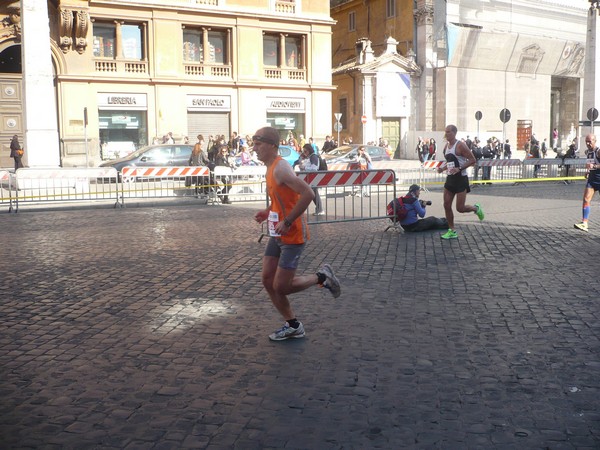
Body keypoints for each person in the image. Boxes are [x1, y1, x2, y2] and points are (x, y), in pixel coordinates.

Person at [252, 127, 341, 341]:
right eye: (254, 144)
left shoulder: (280, 168)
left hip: (292, 234)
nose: (254, 148)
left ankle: (322, 277)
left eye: (259, 144)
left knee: (281, 286)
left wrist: (288, 220)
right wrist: (268, 212)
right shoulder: (270, 166)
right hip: (277, 232)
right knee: (267, 279)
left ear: (272, 145)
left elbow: (308, 193)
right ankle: (293, 325)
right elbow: (282, 199)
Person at [437, 124, 485, 239]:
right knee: (446, 205)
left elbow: (473, 160)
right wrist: (442, 168)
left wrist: (459, 168)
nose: (446, 134)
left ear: (454, 133)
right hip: (450, 179)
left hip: (461, 179)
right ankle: (452, 230)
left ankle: (476, 208)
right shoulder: (446, 146)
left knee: (460, 208)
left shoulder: (460, 146)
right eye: (445, 131)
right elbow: (449, 161)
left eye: (448, 132)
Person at [574, 134, 600, 232]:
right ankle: (584, 223)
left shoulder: (598, 151)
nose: (588, 144)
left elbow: (594, 165)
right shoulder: (588, 152)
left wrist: (595, 166)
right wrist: (588, 171)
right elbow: (590, 165)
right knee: (586, 199)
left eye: (590, 141)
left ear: (595, 141)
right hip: (592, 180)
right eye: (586, 142)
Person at [298, 144, 324, 215]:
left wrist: (304, 168)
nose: (304, 153)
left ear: (309, 150)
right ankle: (319, 209)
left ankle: (319, 209)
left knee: (313, 194)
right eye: (303, 151)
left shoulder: (314, 157)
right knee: (314, 194)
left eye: (305, 151)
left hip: (313, 179)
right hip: (310, 179)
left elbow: (314, 168)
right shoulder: (309, 157)